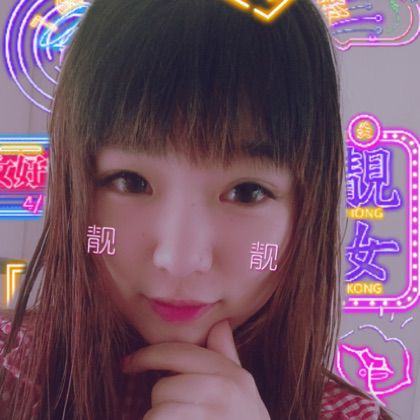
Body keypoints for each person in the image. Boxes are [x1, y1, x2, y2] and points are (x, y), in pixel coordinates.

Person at [0, 0, 392, 418]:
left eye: (246, 192)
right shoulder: (12, 374)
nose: (180, 260)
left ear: (308, 206)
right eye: (130, 182)